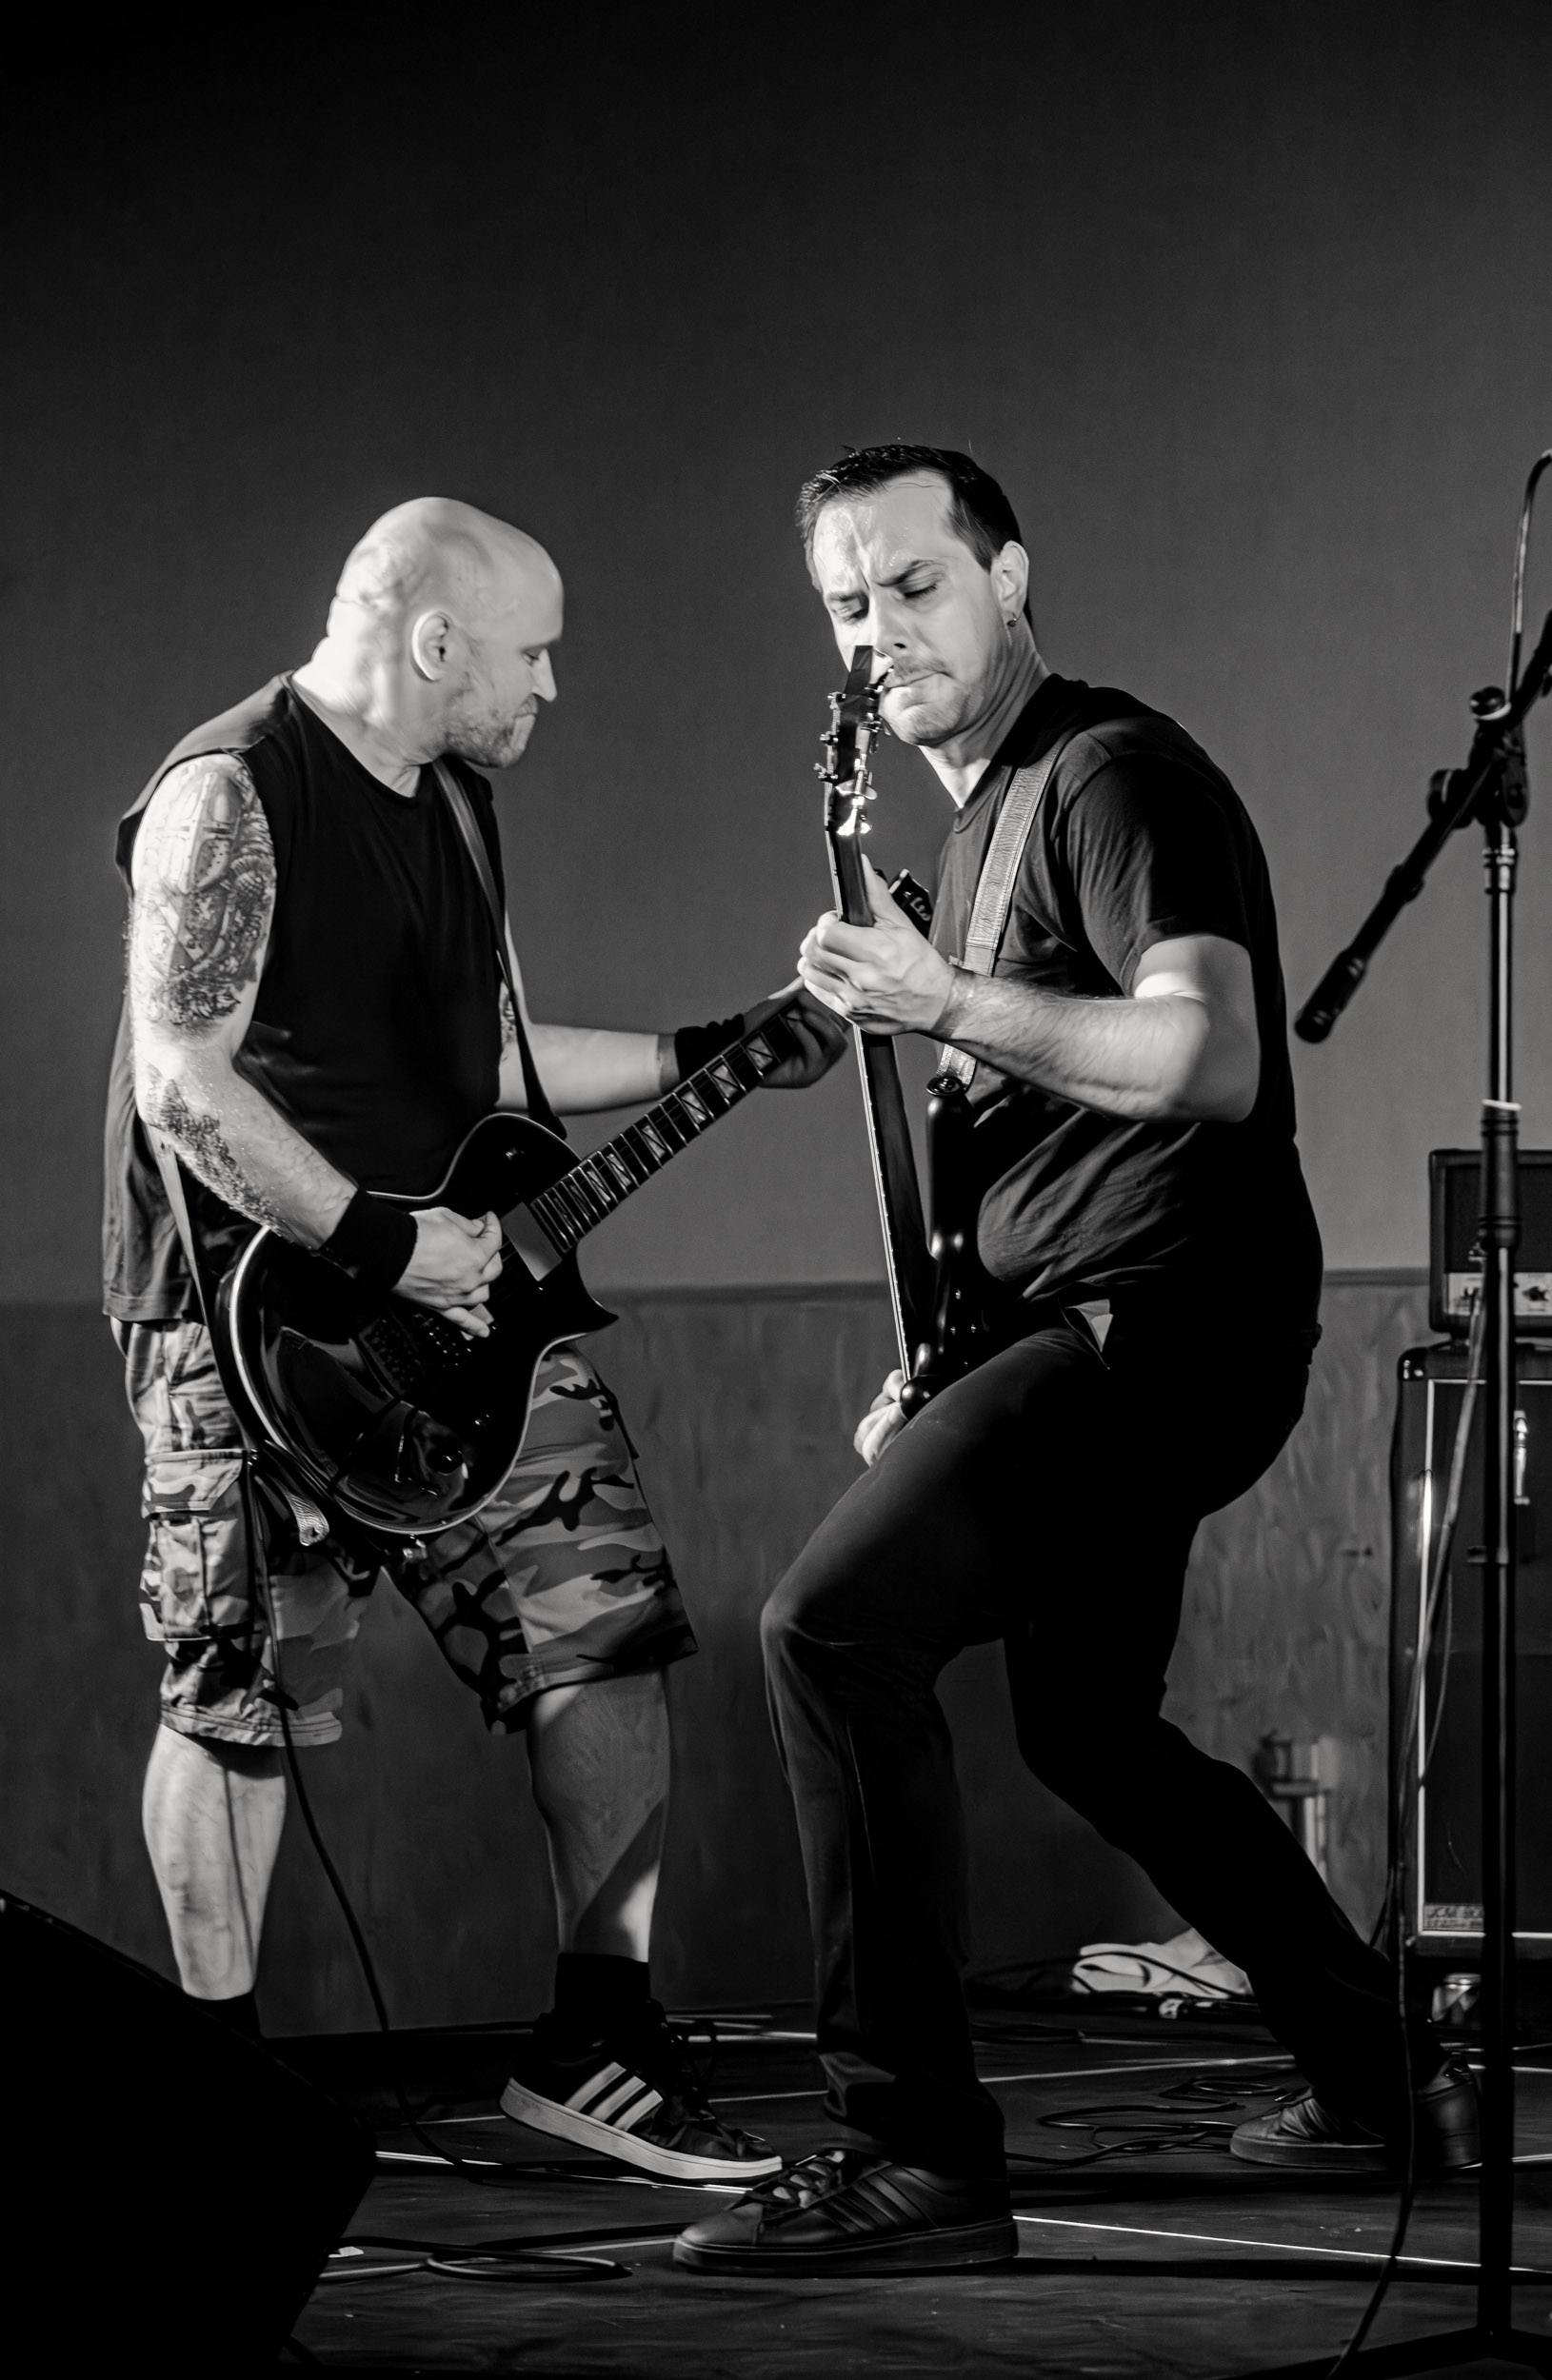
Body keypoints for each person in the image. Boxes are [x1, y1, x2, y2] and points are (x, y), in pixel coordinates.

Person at [674, 445, 1477, 2273]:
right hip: (1082, 1327)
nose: (882, 634)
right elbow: (1037, 1157)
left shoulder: (1112, 776)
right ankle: (1383, 2074)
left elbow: (1209, 1059)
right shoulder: (980, 835)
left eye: (916, 586)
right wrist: (948, 1365)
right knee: (1087, 1728)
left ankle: (917, 2160)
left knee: (830, 1632)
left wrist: (942, 999)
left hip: (1164, 1328)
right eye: (847, 607)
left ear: (1010, 577)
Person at [104, 496, 845, 2185]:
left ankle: (599, 2046)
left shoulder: (452, 801)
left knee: (608, 1624)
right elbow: (180, 1081)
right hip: (255, 1327)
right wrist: (380, 1242)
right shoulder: (232, 790)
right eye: (532, 654)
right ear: (437, 640)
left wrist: (711, 1048)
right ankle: (219, 2099)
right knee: (244, 1697)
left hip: (462, 1309)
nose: (550, 687)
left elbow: (485, 1065)